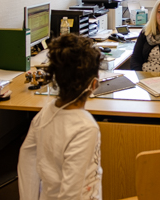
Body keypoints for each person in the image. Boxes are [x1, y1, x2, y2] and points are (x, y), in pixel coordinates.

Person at [18, 33, 103, 200]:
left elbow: (26, 160)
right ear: (94, 85)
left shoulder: (46, 112)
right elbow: (71, 195)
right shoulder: (86, 128)